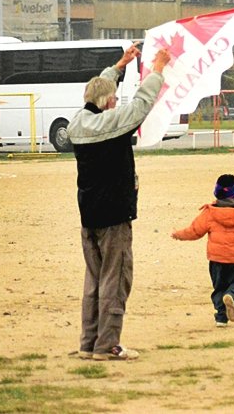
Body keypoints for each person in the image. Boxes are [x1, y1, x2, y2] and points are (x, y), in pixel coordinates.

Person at [68, 44, 171, 361]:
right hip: (114, 216)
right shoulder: (111, 125)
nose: (115, 102)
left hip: (89, 216)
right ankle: (108, 345)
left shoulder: (78, 122)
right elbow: (141, 105)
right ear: (108, 102)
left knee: (94, 282)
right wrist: (158, 68)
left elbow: (98, 90)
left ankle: (89, 344)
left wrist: (120, 65)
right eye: (113, 98)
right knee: (116, 280)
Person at [171, 174, 234, 327]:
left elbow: (195, 231)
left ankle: (221, 318)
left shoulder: (210, 212)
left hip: (216, 259)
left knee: (219, 287)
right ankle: (232, 296)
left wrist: (178, 234)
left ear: (216, 192)